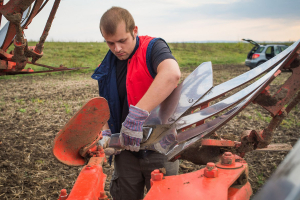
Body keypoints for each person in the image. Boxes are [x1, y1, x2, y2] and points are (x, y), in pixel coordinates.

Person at [91, 6, 181, 200]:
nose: (117, 49)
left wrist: (137, 115)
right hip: (125, 152)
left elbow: (171, 74)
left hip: (159, 148)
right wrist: (106, 133)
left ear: (135, 30)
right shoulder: (106, 66)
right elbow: (105, 104)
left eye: (122, 41)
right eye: (110, 43)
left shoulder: (153, 48)